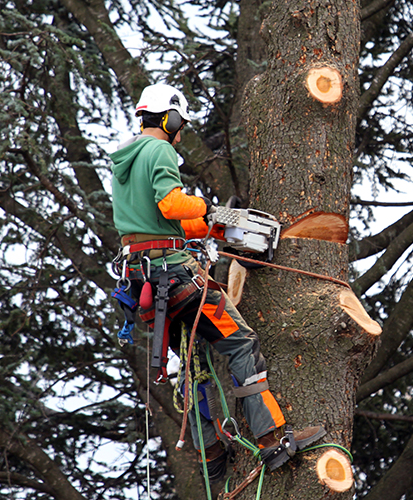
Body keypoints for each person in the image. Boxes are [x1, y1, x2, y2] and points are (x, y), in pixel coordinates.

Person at [109, 83, 325, 481]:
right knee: (241, 343)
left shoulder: (126, 160)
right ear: (170, 117)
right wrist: (208, 207)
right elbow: (171, 203)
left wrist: (206, 224)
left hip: (145, 280)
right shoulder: (158, 150)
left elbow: (159, 222)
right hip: (175, 276)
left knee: (194, 363)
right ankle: (271, 439)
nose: (181, 131)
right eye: (180, 124)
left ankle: (210, 453)